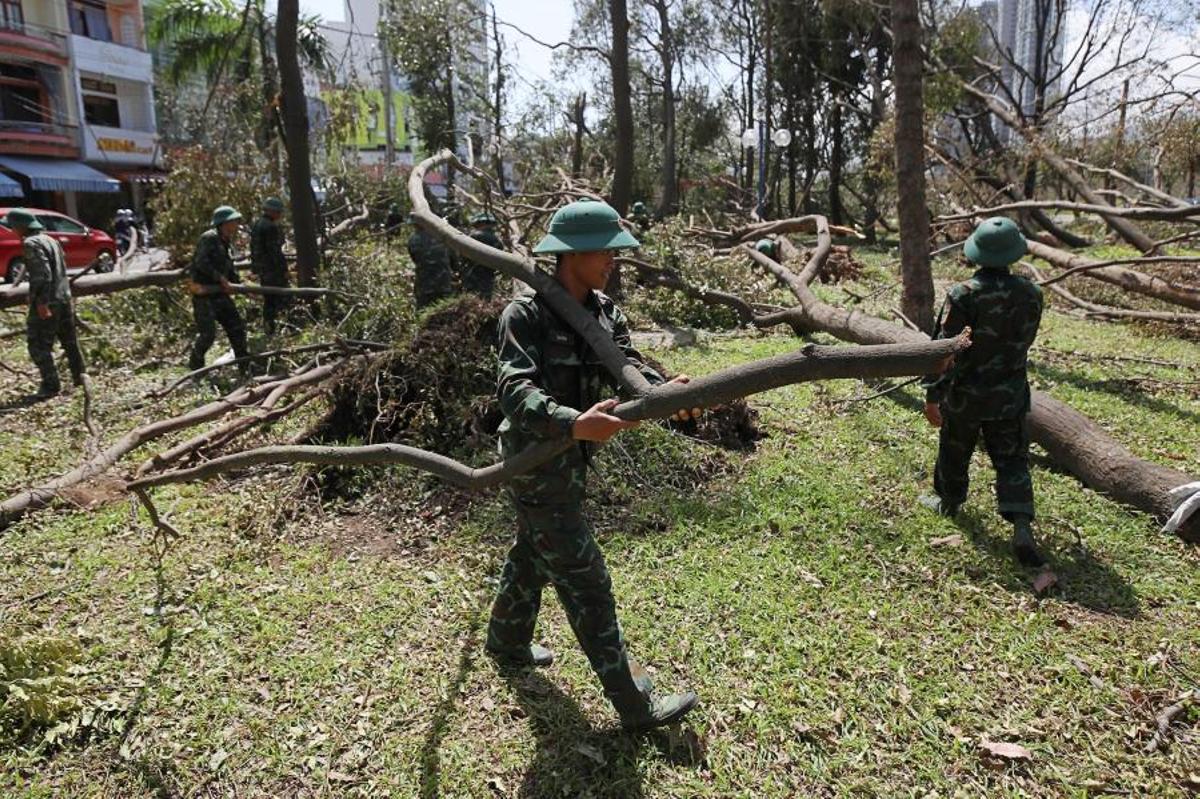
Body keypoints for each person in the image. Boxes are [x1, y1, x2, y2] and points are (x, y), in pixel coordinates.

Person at [486, 199, 700, 731]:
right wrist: (571, 422)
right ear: (571, 254)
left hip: (572, 460)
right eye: (604, 250)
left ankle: (506, 641)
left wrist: (663, 393)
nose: (612, 260)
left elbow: (625, 368)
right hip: (534, 463)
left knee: (533, 551)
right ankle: (636, 705)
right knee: (587, 583)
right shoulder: (525, 314)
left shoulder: (605, 312)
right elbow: (514, 389)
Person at [920, 216, 1045, 567]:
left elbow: (944, 350)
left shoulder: (963, 295)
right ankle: (1021, 524)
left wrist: (932, 395)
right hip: (1010, 395)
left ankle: (948, 502)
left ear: (976, 251)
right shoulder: (1032, 294)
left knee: (954, 450)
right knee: (1012, 459)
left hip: (966, 395)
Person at [6, 209, 86, 399]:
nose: (12, 231)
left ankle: (50, 386)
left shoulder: (31, 243)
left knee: (38, 345)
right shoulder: (51, 240)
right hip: (64, 298)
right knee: (70, 342)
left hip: (49, 301)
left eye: (13, 227)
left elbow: (43, 274)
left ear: (21, 227)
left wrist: (41, 302)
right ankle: (81, 377)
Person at [188, 205, 250, 372]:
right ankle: (195, 368)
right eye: (234, 221)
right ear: (225, 223)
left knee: (236, 328)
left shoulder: (225, 241)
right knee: (208, 335)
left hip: (220, 294)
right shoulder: (209, 238)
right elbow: (201, 262)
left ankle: (244, 365)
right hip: (204, 295)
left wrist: (239, 286)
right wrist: (221, 279)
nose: (237, 225)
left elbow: (228, 267)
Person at [250, 197, 290, 335]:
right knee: (282, 297)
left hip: (263, 270)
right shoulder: (270, 227)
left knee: (269, 299)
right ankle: (284, 328)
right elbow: (275, 252)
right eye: (278, 212)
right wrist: (284, 270)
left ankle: (269, 328)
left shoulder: (257, 224)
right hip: (273, 270)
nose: (280, 215)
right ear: (272, 211)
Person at [406, 213, 454, 309]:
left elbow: (414, 258)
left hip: (424, 284)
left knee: (423, 310)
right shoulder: (442, 236)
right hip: (443, 282)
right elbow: (452, 257)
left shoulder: (413, 239)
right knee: (445, 310)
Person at [462, 212, 502, 299]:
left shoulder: (474, 236)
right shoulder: (497, 240)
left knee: (472, 299)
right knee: (485, 299)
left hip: (473, 274)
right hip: (488, 276)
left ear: (480, 223)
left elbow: (463, 256)